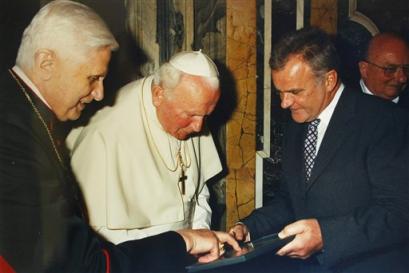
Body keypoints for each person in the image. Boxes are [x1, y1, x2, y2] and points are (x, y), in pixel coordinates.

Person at [0, 1, 239, 273]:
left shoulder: (22, 112)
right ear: (46, 63)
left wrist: (192, 238)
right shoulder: (12, 136)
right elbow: (83, 262)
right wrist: (181, 242)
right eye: (92, 78)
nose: (101, 95)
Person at [230, 27, 409, 273]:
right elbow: (290, 198)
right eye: (280, 92)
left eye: (295, 92)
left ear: (329, 80)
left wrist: (327, 235)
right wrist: (249, 227)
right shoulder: (297, 122)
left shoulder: (385, 121)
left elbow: (400, 213)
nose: (284, 103)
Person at [66, 50, 222, 244]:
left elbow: (198, 191)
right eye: (190, 115)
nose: (199, 127)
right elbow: (99, 228)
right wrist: (170, 250)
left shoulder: (193, 109)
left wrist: (201, 237)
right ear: (158, 94)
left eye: (205, 115)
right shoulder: (106, 132)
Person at [358, 32, 409, 108]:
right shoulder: (343, 101)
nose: (402, 78)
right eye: (390, 69)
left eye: (406, 69)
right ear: (364, 69)